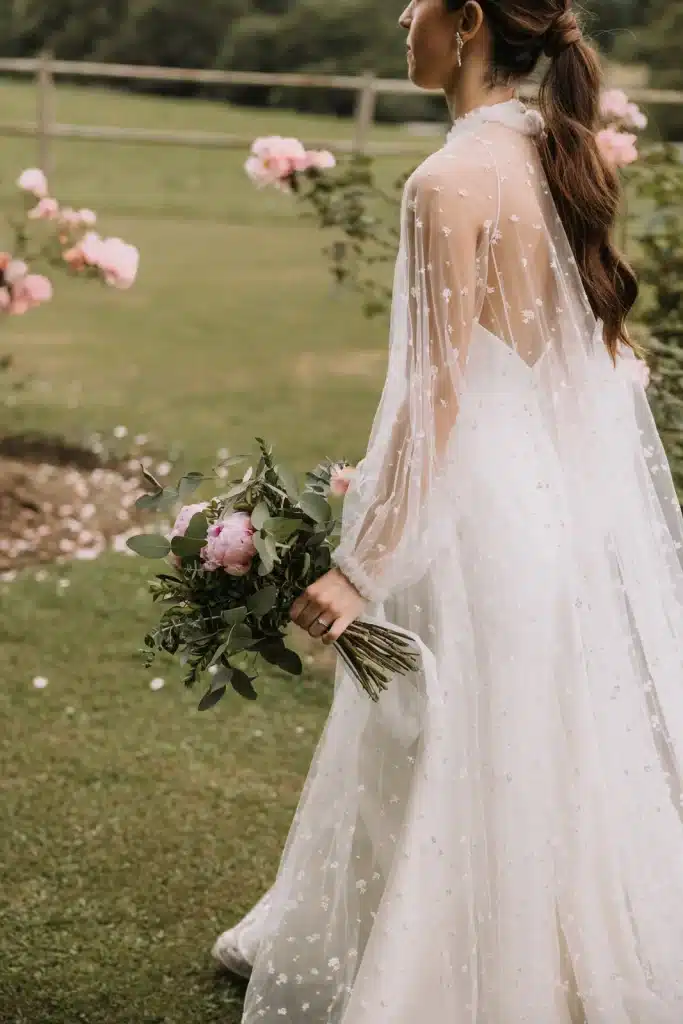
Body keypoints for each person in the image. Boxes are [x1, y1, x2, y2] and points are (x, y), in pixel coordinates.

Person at [213, 0, 683, 1019]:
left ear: (466, 21)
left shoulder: (447, 181)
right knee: (516, 749)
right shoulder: (550, 155)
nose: (399, 16)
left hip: (471, 514)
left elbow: (434, 397)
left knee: (440, 746)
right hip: (543, 511)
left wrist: (360, 562)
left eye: (417, 2)